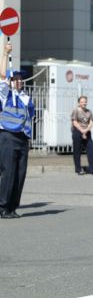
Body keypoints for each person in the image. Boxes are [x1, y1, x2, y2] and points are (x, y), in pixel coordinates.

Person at [0, 44, 34, 219]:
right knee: (9, 172)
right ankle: (3, 207)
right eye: (16, 79)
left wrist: (29, 137)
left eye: (21, 79)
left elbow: (29, 118)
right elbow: (2, 76)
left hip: (22, 137)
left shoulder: (27, 97)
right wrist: (5, 54)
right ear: (11, 82)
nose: (19, 81)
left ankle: (13, 206)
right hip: (7, 136)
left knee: (20, 173)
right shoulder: (5, 94)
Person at [71, 95, 93, 175]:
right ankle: (78, 169)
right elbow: (74, 122)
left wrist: (86, 130)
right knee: (77, 150)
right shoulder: (76, 111)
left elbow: (91, 122)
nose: (84, 103)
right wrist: (82, 130)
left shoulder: (89, 112)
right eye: (82, 102)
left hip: (87, 132)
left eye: (85, 101)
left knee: (92, 149)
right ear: (79, 103)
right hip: (77, 131)